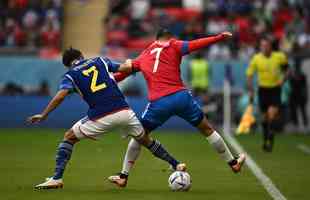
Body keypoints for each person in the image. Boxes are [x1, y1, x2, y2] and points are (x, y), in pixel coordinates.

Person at [27, 47, 186, 190]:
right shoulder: (100, 60)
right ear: (82, 55)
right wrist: (142, 63)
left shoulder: (70, 75)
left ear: (67, 64)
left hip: (101, 115)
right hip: (125, 111)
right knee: (146, 140)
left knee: (69, 137)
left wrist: (44, 114)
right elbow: (126, 67)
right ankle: (176, 164)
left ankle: (57, 178)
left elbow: (60, 96)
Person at [109, 29, 246, 187]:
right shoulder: (174, 45)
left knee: (139, 137)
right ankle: (233, 163)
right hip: (181, 98)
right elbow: (195, 44)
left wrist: (110, 81)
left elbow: (124, 72)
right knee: (207, 129)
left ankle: (123, 176)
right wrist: (218, 37)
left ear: (156, 39)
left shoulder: (144, 54)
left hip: (159, 103)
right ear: (169, 38)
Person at [246, 37, 289, 152]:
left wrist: (283, 80)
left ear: (271, 46)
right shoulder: (256, 58)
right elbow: (249, 75)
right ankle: (266, 140)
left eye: (267, 45)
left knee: (271, 115)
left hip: (275, 89)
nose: (265, 48)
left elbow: (287, 70)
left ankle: (271, 134)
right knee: (264, 119)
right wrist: (250, 90)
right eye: (263, 45)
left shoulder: (279, 57)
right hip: (263, 90)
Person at [289, 60, 308, 131]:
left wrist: (305, 95)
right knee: (294, 111)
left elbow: (304, 87)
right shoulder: (291, 75)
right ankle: (295, 125)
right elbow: (290, 85)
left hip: (301, 96)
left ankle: (305, 125)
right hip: (293, 96)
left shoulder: (302, 76)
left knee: (303, 111)